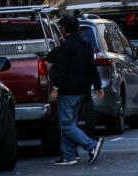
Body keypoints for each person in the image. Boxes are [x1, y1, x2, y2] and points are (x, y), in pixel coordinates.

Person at [46, 16, 105, 166]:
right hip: (83, 91)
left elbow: (62, 69)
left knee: (66, 123)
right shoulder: (86, 45)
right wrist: (98, 87)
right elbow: (92, 68)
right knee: (71, 122)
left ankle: (91, 145)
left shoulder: (65, 47)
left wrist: (55, 88)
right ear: (78, 28)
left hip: (68, 90)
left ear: (64, 29)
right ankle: (69, 155)